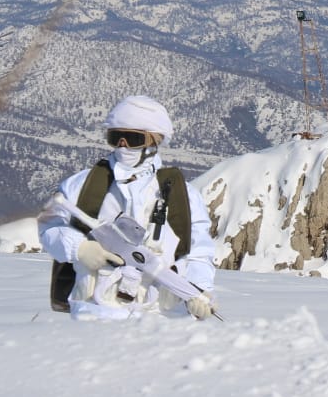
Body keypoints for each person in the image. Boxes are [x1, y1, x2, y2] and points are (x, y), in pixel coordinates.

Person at [38, 95, 217, 320]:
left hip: (162, 318)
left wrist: (199, 290)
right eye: (115, 137)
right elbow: (47, 226)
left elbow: (199, 250)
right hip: (94, 314)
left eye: (132, 138)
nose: (123, 145)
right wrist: (79, 249)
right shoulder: (82, 185)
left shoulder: (183, 195)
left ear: (155, 140)